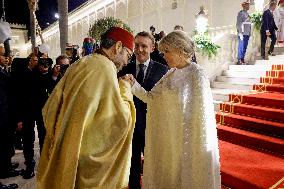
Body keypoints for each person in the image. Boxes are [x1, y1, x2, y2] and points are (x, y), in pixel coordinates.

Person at [37, 27, 136, 189]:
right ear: (117, 47)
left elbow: (50, 108)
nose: (126, 62)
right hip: (83, 160)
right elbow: (118, 122)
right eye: (128, 55)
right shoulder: (105, 69)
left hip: (65, 149)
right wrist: (125, 88)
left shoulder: (82, 62)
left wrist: (62, 136)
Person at [122, 31, 221, 188]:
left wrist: (190, 144)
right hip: (168, 139)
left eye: (167, 51)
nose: (164, 56)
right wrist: (133, 84)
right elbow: (151, 98)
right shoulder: (170, 74)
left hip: (185, 140)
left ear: (180, 50)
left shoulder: (196, 74)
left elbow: (200, 115)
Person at [118, 31, 168, 189]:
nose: (139, 49)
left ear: (152, 48)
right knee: (131, 167)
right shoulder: (125, 68)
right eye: (137, 45)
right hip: (130, 126)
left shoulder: (163, 70)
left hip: (152, 127)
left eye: (144, 46)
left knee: (153, 166)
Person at [0, 46, 21, 181]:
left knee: (7, 142)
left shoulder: (3, 70)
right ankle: (4, 170)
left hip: (6, 113)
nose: (6, 57)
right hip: (2, 114)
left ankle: (6, 165)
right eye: (3, 55)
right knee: (2, 143)